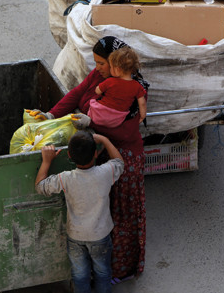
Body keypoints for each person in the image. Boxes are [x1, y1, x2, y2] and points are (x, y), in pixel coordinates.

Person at [30, 36, 148, 282]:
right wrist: (52, 114)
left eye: (102, 63)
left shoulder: (134, 90)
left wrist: (92, 124)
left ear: (117, 64)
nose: (98, 68)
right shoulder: (100, 77)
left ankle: (119, 270)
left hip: (123, 152)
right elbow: (78, 93)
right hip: (99, 148)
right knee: (101, 211)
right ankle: (102, 272)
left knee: (120, 213)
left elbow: (127, 131)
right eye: (96, 63)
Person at [35, 131, 124, 293]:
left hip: (76, 236)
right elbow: (119, 162)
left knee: (79, 275)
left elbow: (41, 187)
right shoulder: (105, 173)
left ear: (69, 155)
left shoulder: (66, 178)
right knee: (103, 273)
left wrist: (46, 161)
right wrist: (105, 139)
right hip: (100, 235)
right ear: (96, 153)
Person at [88, 46, 147, 127]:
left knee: (93, 101)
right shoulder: (138, 86)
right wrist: (143, 116)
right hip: (116, 120)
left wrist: (98, 87)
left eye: (111, 67)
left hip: (99, 114)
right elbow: (142, 103)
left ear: (117, 69)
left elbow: (97, 91)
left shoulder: (110, 81)